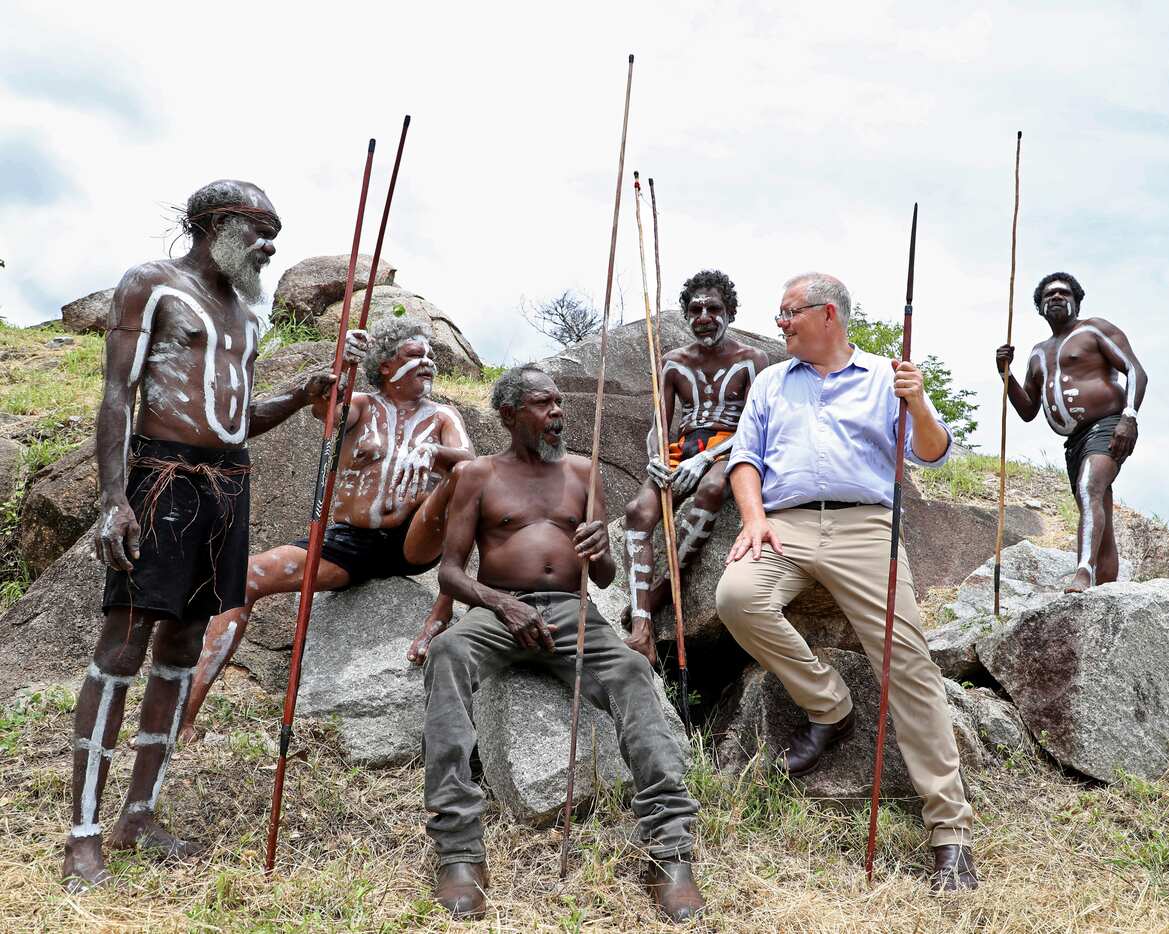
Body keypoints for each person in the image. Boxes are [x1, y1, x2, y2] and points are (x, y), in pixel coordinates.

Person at [63, 180, 354, 892]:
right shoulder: (152, 287)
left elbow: (239, 418)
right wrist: (113, 500)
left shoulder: (248, 318)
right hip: (160, 478)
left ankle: (140, 815)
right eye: (261, 229)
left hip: (228, 483)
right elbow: (116, 395)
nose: (271, 245)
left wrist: (306, 392)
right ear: (217, 223)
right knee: (123, 645)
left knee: (185, 644)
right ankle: (82, 836)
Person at [715, 272, 978, 893]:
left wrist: (917, 401)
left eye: (788, 313)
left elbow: (934, 453)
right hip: (785, 524)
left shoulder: (889, 379)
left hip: (867, 528)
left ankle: (951, 833)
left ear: (826, 313)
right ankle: (831, 707)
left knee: (909, 664)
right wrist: (753, 520)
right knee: (736, 597)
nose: (779, 323)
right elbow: (744, 458)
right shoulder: (771, 382)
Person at [418, 365, 704, 922]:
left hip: (573, 612)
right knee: (448, 653)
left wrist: (600, 549)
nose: (557, 413)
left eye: (558, 403)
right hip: (500, 608)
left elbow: (600, 576)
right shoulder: (477, 475)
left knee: (629, 670)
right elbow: (450, 574)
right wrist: (501, 603)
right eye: (542, 404)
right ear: (508, 413)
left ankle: (670, 850)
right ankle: (458, 851)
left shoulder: (582, 470)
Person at [179, 318, 474, 742]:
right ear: (387, 366)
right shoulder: (362, 406)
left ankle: (440, 612)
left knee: (465, 478)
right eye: (414, 355)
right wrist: (341, 360)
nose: (427, 362)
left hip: (415, 540)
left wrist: (433, 452)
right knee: (242, 578)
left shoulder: (443, 415)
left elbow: (468, 461)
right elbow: (327, 406)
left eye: (430, 356)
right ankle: (185, 719)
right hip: (350, 544)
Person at [621, 269, 767, 663]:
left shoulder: (752, 360)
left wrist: (706, 458)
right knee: (637, 512)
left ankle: (662, 591)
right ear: (686, 316)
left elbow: (753, 426)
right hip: (682, 447)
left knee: (713, 489)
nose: (704, 316)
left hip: (729, 448)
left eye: (713, 308)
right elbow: (659, 424)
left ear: (730, 313)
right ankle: (641, 627)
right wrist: (656, 459)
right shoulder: (672, 363)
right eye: (695, 309)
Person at [996, 272, 1147, 592]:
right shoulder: (1037, 354)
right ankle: (1106, 587)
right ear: (1039, 307)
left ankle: (1082, 572)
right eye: (1048, 295)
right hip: (1074, 442)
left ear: (1076, 301)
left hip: (1108, 424)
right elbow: (1027, 411)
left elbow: (1135, 371)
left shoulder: (1094, 330)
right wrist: (1005, 374)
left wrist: (1129, 418)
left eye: (1064, 293)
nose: (1056, 297)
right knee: (1095, 504)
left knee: (1089, 486)